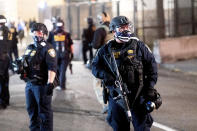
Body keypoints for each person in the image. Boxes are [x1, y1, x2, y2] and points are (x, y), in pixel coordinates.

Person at [92, 16, 162, 131]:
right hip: (117, 96)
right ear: (113, 30)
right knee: (119, 127)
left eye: (127, 27)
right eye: (122, 28)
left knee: (142, 128)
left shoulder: (140, 46)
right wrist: (106, 75)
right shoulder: (106, 49)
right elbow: (95, 67)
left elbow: (152, 68)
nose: (126, 30)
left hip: (139, 96)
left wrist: (149, 88)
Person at [15, 23, 57, 131]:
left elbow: (52, 67)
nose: (36, 35)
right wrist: (19, 67)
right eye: (34, 32)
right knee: (31, 110)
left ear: (44, 34)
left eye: (38, 32)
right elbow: (25, 61)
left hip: (41, 85)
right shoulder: (30, 47)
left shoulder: (48, 48)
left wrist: (50, 83)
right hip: (30, 84)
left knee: (44, 113)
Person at [91, 12, 113, 114]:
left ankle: (106, 105)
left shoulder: (100, 30)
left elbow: (96, 45)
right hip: (117, 60)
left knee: (98, 82)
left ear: (103, 18)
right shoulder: (116, 28)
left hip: (103, 60)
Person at [47, 18, 73, 90]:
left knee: (60, 71)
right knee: (60, 71)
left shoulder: (65, 34)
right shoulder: (53, 34)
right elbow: (48, 45)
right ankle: (60, 85)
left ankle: (61, 85)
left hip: (61, 55)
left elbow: (70, 44)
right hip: (59, 56)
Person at [0, 15, 10, 109]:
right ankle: (5, 100)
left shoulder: (4, 31)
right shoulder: (8, 31)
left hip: (2, 58)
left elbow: (5, 45)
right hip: (5, 58)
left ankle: (3, 101)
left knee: (2, 80)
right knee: (5, 80)